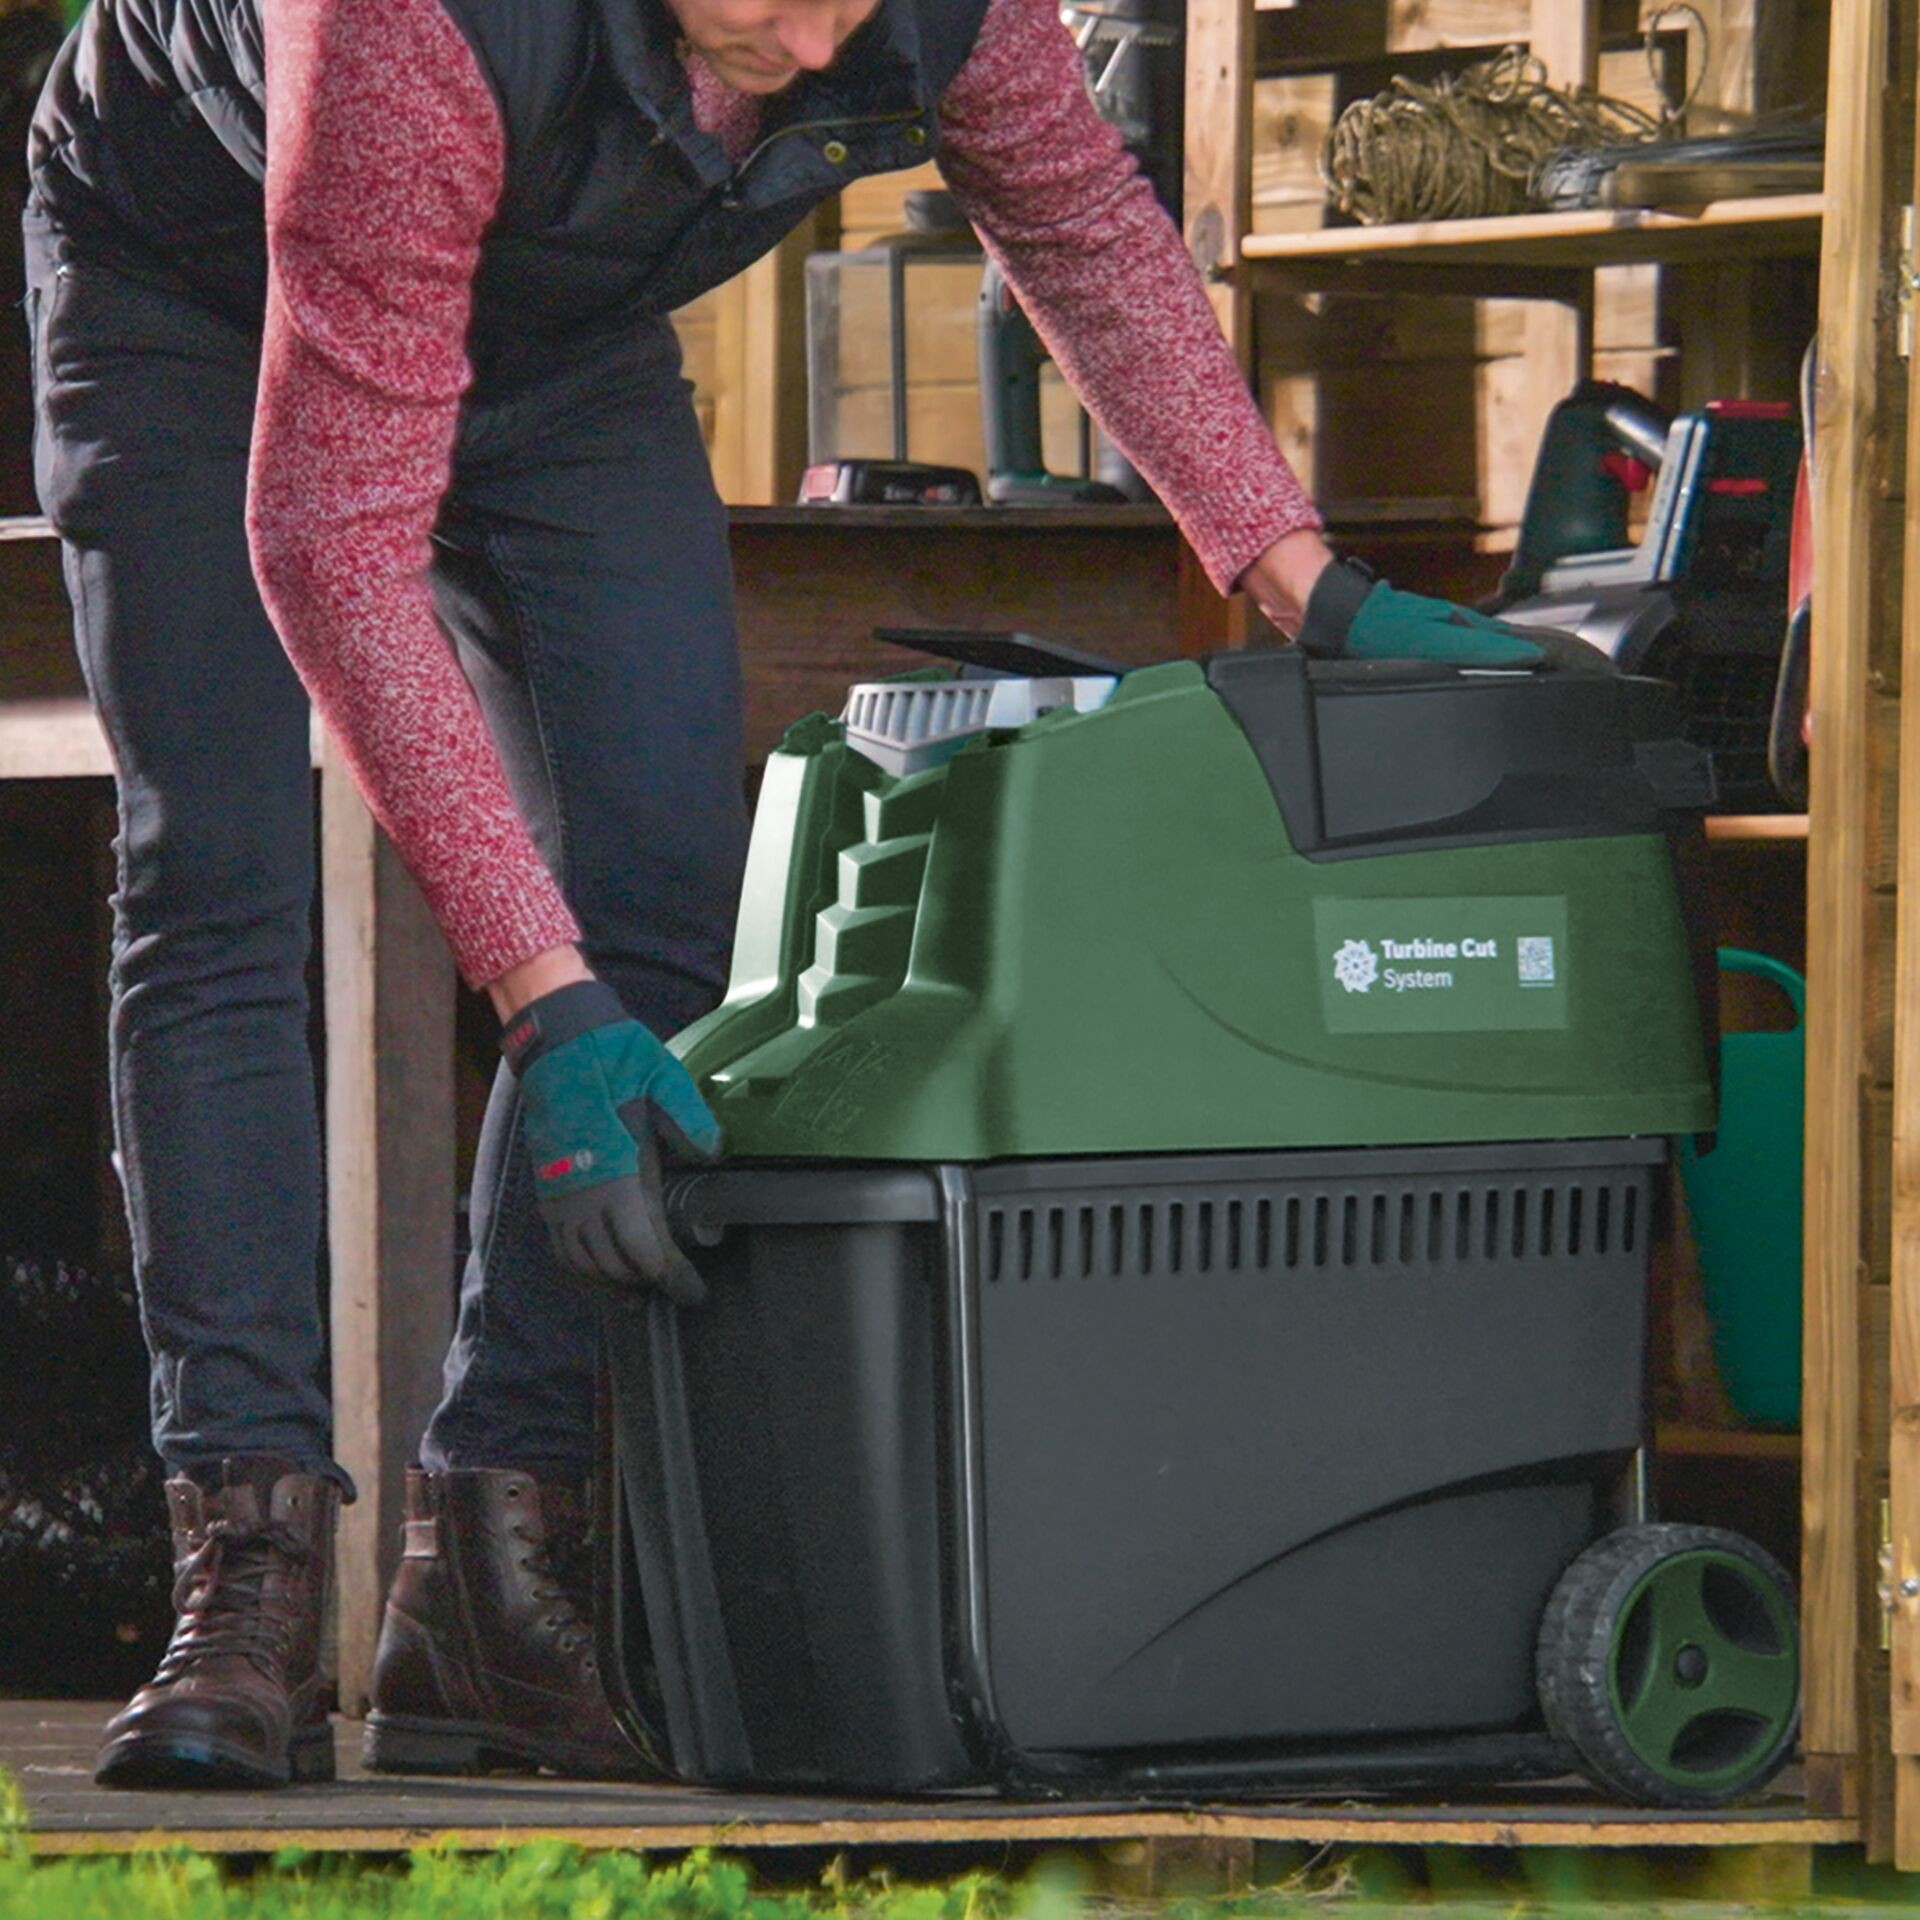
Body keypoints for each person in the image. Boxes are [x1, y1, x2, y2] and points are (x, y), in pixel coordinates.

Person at [23, 0, 1546, 1793]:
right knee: (220, 879)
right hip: (191, 287)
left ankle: (492, 1571)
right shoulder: (415, 24)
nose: (822, 43)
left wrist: (1302, 580)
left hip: (557, 329)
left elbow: (1081, 228)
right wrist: (540, 999)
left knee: (665, 877)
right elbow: (334, 546)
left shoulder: (949, 11)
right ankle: (247, 1579)